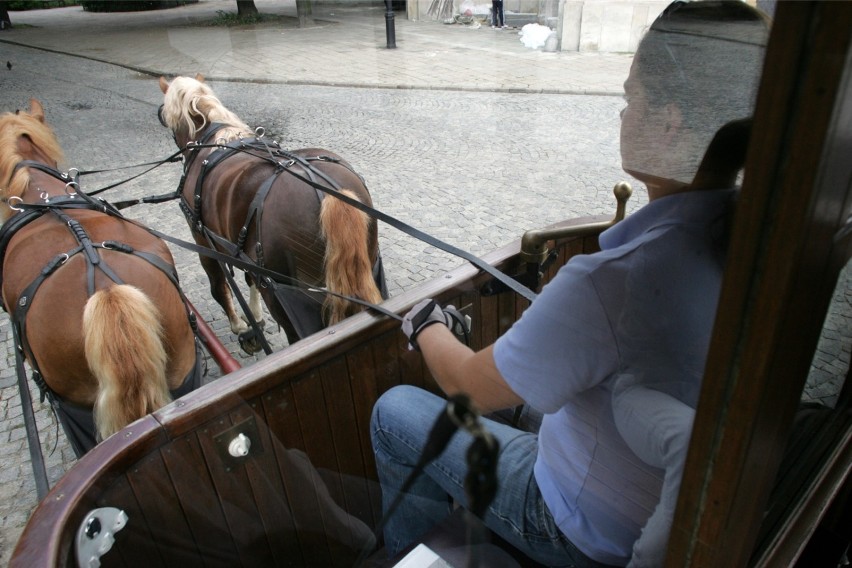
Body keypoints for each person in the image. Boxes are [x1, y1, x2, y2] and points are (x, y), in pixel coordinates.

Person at [370, 1, 770, 566]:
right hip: (681, 503)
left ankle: (417, 553)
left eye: (631, 100)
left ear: (670, 123)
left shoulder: (613, 280)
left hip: (582, 528)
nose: (622, 114)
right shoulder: (755, 237)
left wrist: (426, 324)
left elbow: (469, 387)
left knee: (394, 412)